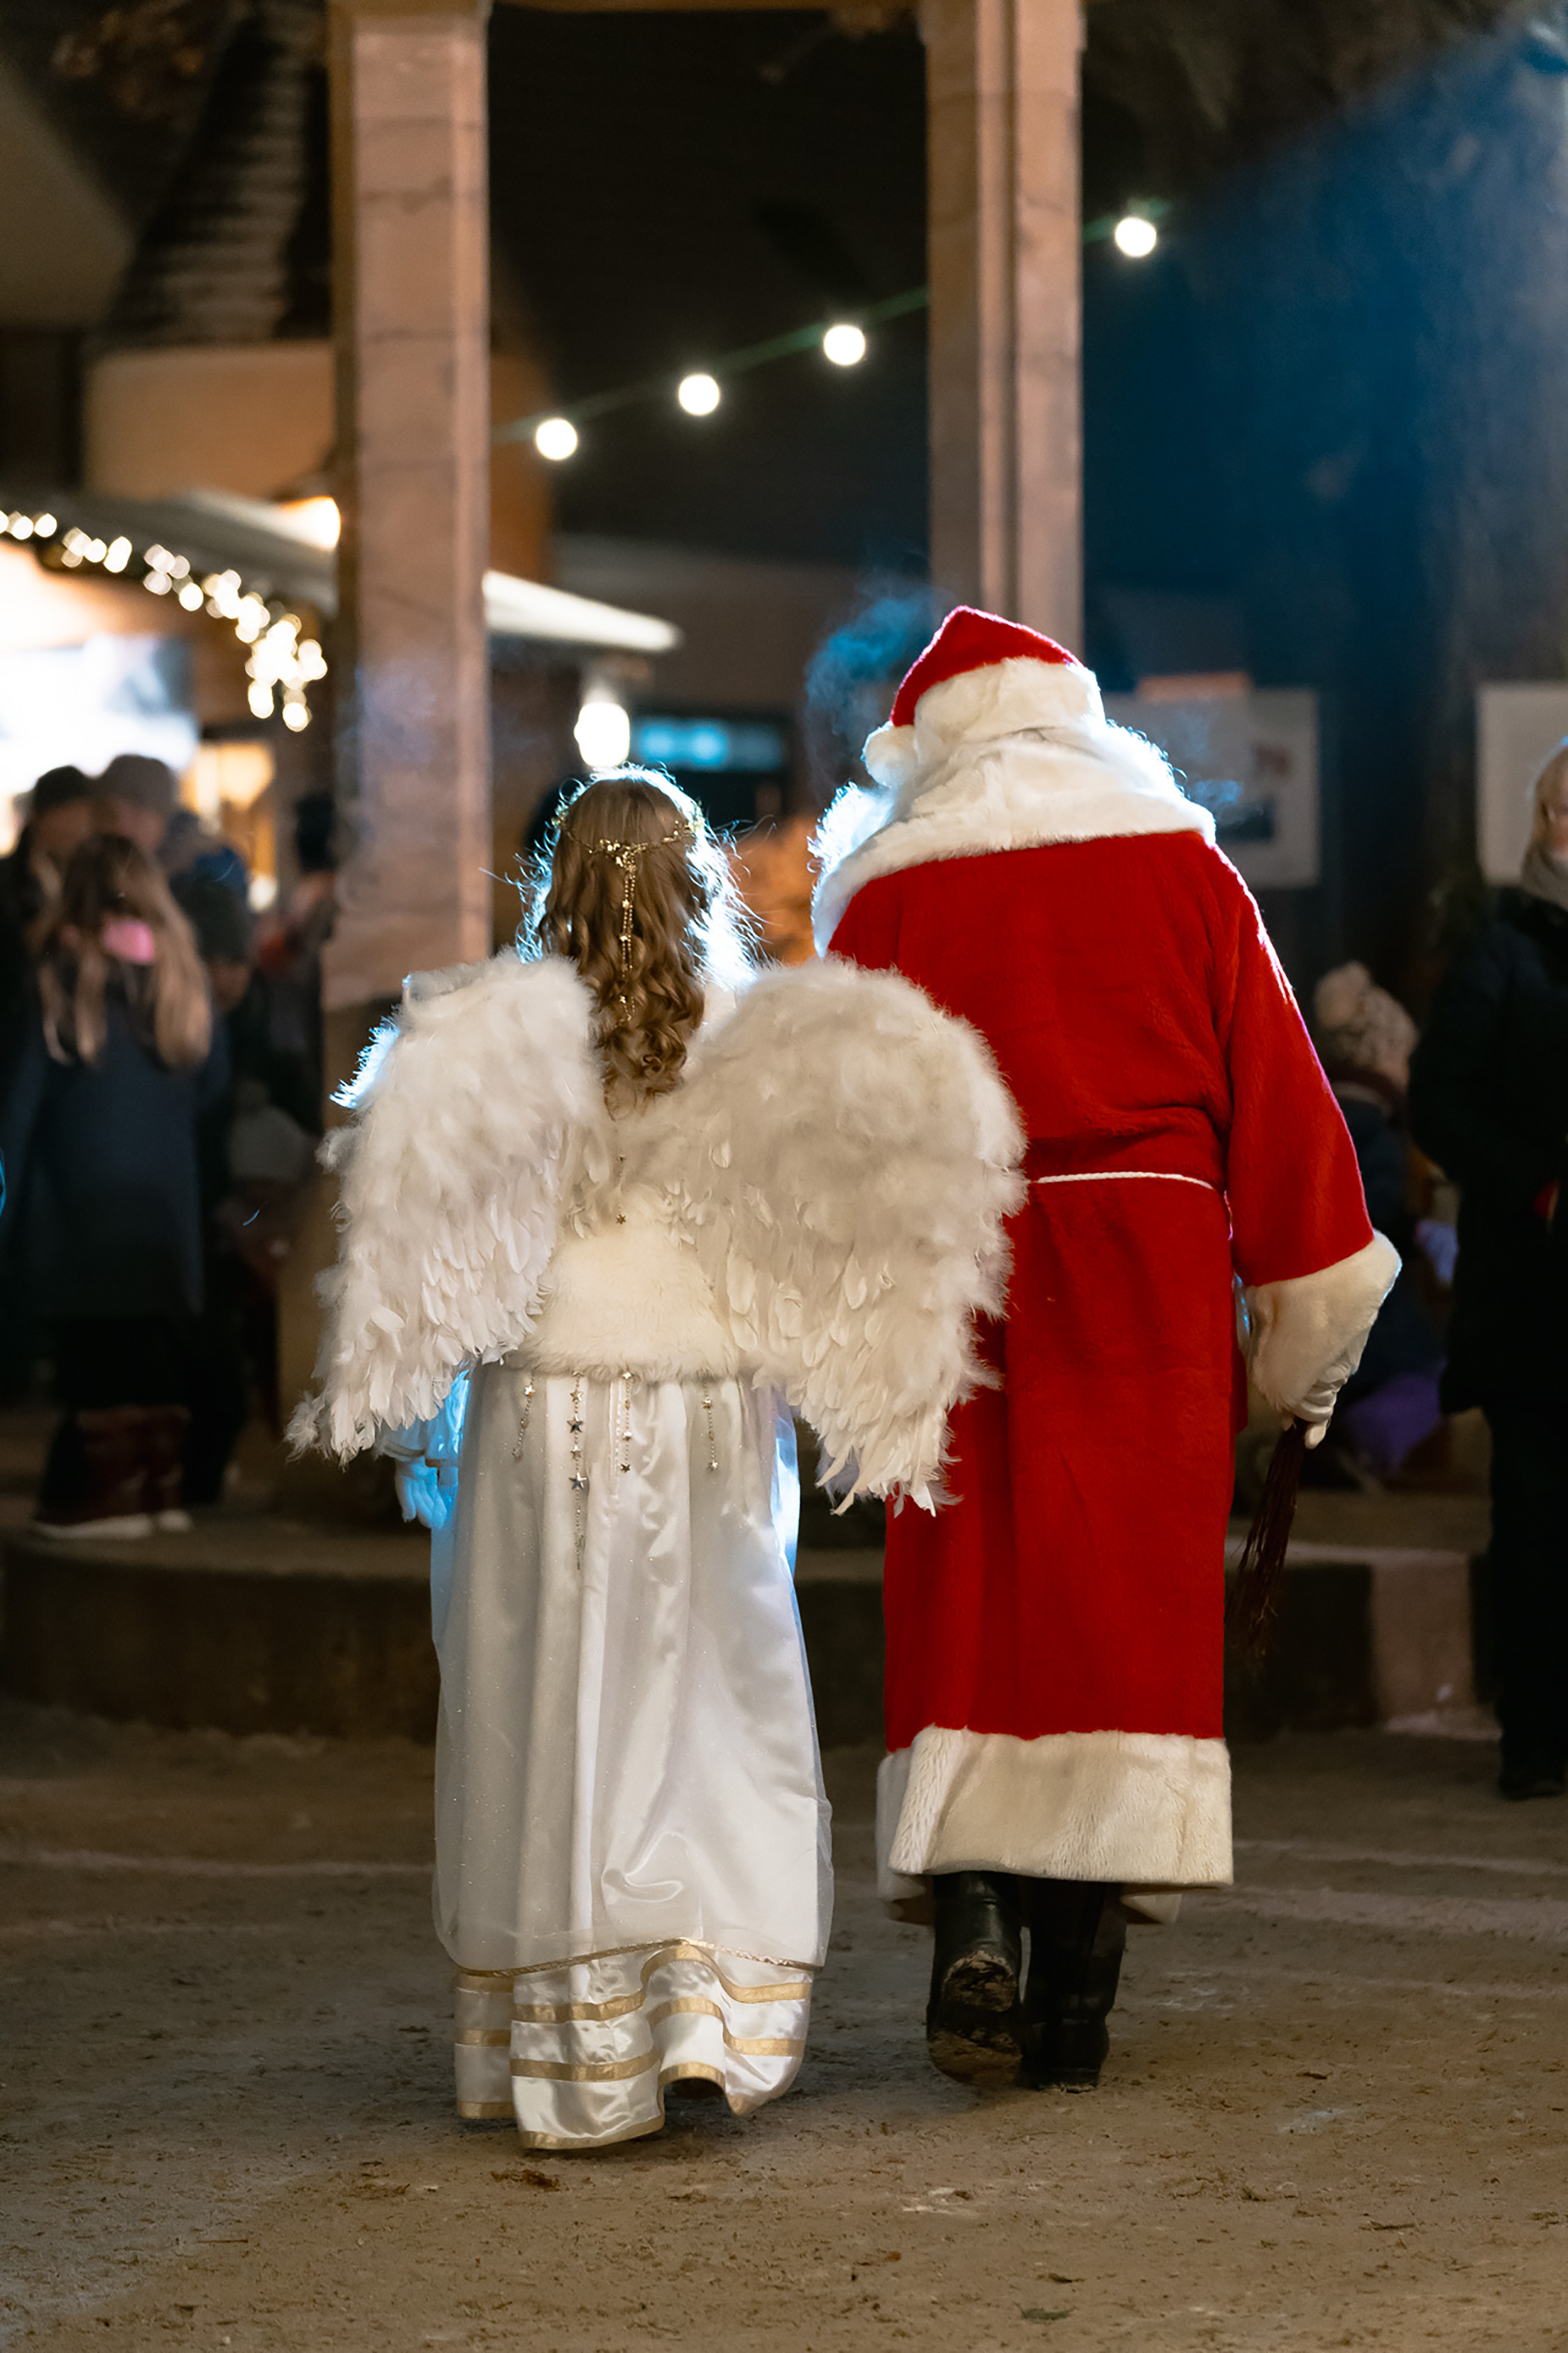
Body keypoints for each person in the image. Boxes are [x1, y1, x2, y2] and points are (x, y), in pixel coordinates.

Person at [292, 770, 1021, 2150]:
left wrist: (408, 1414)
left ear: (554, 882)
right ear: (700, 886)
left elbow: (414, 1248)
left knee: (544, 1701)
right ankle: (697, 2016)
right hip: (700, 1407)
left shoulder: (476, 1037)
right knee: (708, 1705)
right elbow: (834, 1233)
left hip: (538, 1409)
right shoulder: (763, 1040)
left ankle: (570, 2033)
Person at [815, 607, 1397, 2092]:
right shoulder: (1186, 866)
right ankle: (1078, 1984)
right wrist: (1300, 1326)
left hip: (960, 1272)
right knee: (1118, 1598)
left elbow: (828, 1130)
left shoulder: (882, 891)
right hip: (1146, 1269)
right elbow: (1277, 1092)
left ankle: (976, 1913)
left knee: (972, 1592)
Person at [1409, 739, 1568, 1801]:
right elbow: (1440, 1099)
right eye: (1560, 812)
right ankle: (1535, 1734)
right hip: (1538, 1297)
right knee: (1536, 1518)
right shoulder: (1501, 952)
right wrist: (1537, 1186)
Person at [0, 834, 227, 1535]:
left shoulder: (61, 983)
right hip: (164, 1224)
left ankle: (98, 1496)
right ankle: (158, 1490)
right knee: (151, 1363)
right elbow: (211, 1090)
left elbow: (19, 1108)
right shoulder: (183, 986)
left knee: (95, 1369)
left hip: (81, 1221)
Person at [1311, 963, 1445, 1481]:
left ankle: (1327, 1446)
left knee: (1340, 1382)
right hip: (1370, 1300)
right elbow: (1374, 1212)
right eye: (1404, 1058)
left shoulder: (1321, 1120)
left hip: (1318, 1293)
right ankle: (1354, 1448)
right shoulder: (1375, 1133)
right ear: (1383, 1063)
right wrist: (1419, 1233)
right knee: (1434, 1380)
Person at [0, 765, 96, 1020]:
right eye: (68, 815)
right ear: (42, 817)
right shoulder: (10, 877)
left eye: (85, 817)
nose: (78, 828)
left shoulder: (93, 877)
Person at [95, 753, 178, 861]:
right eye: (109, 815)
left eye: (135, 809)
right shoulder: (98, 863)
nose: (121, 827)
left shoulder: (196, 870)